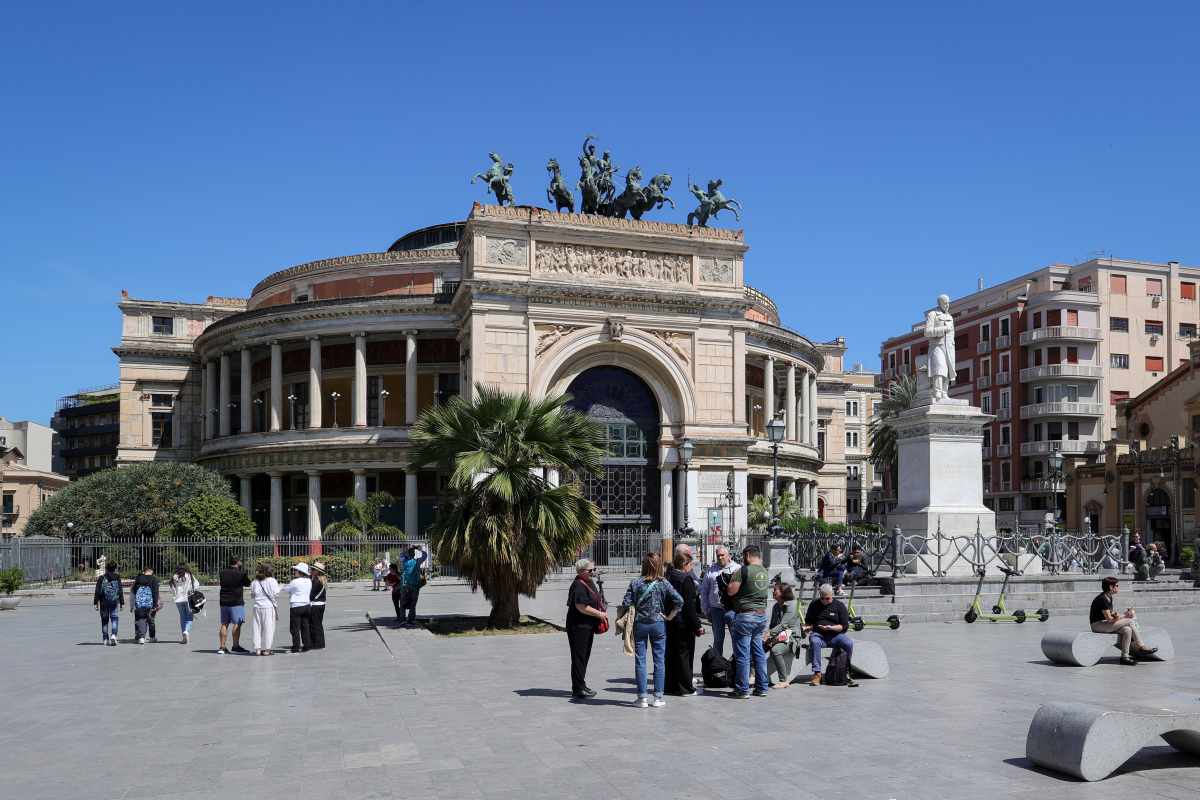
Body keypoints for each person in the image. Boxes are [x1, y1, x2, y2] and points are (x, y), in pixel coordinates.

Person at [622, 552, 684, 708]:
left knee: (640, 660)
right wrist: (670, 616)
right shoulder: (664, 583)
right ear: (659, 565)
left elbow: (626, 602)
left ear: (644, 565)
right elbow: (679, 600)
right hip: (658, 623)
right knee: (659, 661)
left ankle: (642, 697)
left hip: (640, 624)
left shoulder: (635, 583)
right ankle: (658, 697)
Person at [725, 544, 771, 699]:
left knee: (743, 654)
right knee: (758, 653)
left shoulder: (743, 570)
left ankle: (743, 689)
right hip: (761, 616)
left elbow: (731, 590)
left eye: (744, 556)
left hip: (745, 616)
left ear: (748, 555)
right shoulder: (765, 571)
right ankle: (762, 687)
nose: (743, 559)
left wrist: (731, 579)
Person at [1090, 576, 1157, 665]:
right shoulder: (1102, 599)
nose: (1118, 588)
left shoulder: (1108, 597)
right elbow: (1109, 619)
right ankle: (1141, 646)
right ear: (1111, 587)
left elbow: (1111, 615)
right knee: (1129, 621)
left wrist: (1122, 615)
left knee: (1127, 630)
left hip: (1105, 624)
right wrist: (1126, 616)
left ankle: (1125, 656)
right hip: (1097, 625)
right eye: (1117, 586)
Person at [664, 544, 704, 696]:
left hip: (671, 621)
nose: (691, 567)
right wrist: (697, 626)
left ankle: (670, 685)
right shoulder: (685, 579)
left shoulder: (670, 576)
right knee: (685, 655)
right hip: (683, 623)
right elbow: (689, 606)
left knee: (672, 653)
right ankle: (685, 687)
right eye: (690, 564)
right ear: (684, 564)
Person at [566, 559, 607, 699]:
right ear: (582, 571)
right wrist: (599, 614)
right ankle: (578, 688)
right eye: (591, 570)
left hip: (587, 625)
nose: (593, 572)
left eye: (594, 569)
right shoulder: (578, 585)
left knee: (584, 656)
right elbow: (581, 606)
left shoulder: (588, 582)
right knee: (579, 657)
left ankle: (581, 684)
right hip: (578, 626)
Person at [804, 583, 854, 686]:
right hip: (818, 634)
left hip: (835, 635)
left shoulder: (839, 606)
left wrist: (831, 628)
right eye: (822, 598)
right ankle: (817, 674)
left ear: (832, 596)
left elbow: (844, 626)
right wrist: (807, 627)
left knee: (848, 643)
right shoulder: (814, 604)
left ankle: (846, 669)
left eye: (827, 598)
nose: (824, 601)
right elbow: (808, 621)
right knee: (814, 641)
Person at [698, 545, 739, 657]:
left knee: (736, 640)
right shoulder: (711, 570)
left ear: (728, 555)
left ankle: (736, 665)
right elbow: (704, 591)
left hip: (732, 610)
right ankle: (718, 666)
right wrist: (706, 610)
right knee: (718, 640)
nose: (720, 557)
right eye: (718, 555)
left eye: (722, 555)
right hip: (716, 610)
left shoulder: (737, 568)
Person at [765, 582, 801, 688]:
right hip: (778, 635)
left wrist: (769, 635)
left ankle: (783, 680)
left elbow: (785, 625)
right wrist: (769, 637)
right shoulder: (776, 606)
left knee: (776, 650)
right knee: (757, 647)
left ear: (783, 592)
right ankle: (753, 675)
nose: (773, 591)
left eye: (775, 590)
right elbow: (773, 625)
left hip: (791, 636)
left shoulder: (792, 605)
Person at [217, 557, 251, 655]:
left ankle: (222, 647)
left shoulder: (222, 572)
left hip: (224, 601)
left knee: (224, 623)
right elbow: (248, 583)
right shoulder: (241, 573)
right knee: (238, 623)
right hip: (236, 601)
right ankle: (235, 645)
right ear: (237, 562)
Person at [281, 563, 313, 653]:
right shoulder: (309, 581)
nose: (294, 572)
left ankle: (296, 647)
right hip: (306, 604)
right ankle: (307, 645)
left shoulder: (295, 581)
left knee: (294, 628)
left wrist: (282, 587)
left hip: (296, 605)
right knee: (305, 626)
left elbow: (286, 589)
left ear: (300, 572)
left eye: (296, 571)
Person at [250, 564, 280, 656]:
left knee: (257, 628)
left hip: (257, 607)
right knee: (269, 628)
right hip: (268, 607)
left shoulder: (255, 582)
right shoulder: (272, 581)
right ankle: (267, 649)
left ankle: (257, 649)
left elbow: (252, 595)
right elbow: (276, 594)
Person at [93, 562, 124, 646]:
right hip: (114, 601)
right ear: (115, 569)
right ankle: (113, 635)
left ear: (106, 568)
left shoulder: (102, 578)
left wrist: (96, 602)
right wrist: (122, 602)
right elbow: (120, 590)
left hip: (103, 602)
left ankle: (105, 639)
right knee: (114, 618)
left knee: (104, 620)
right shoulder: (117, 577)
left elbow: (98, 591)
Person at [168, 565, 199, 644]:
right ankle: (186, 631)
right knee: (189, 617)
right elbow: (196, 585)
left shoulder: (174, 577)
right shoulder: (189, 575)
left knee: (182, 617)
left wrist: (175, 595)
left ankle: (184, 637)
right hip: (188, 598)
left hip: (178, 600)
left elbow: (172, 588)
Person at [399, 546, 428, 627]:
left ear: (408, 554)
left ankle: (403, 619)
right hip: (415, 585)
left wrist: (407, 550)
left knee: (403, 602)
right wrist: (419, 549)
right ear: (414, 554)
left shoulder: (404, 561)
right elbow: (425, 555)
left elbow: (401, 555)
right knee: (413, 602)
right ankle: (410, 620)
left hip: (405, 584)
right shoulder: (417, 561)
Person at [130, 567, 160, 645]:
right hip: (150, 603)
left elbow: (133, 592)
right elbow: (155, 593)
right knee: (151, 620)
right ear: (151, 572)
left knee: (141, 620)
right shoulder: (154, 579)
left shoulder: (138, 579)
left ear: (144, 572)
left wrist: (132, 605)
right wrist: (155, 604)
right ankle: (152, 637)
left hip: (139, 603)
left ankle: (141, 637)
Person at [308, 561, 328, 649]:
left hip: (315, 605)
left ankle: (316, 644)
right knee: (318, 624)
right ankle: (320, 643)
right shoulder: (321, 579)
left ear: (317, 571)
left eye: (313, 569)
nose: (311, 570)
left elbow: (311, 595)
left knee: (314, 625)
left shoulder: (316, 581)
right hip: (321, 604)